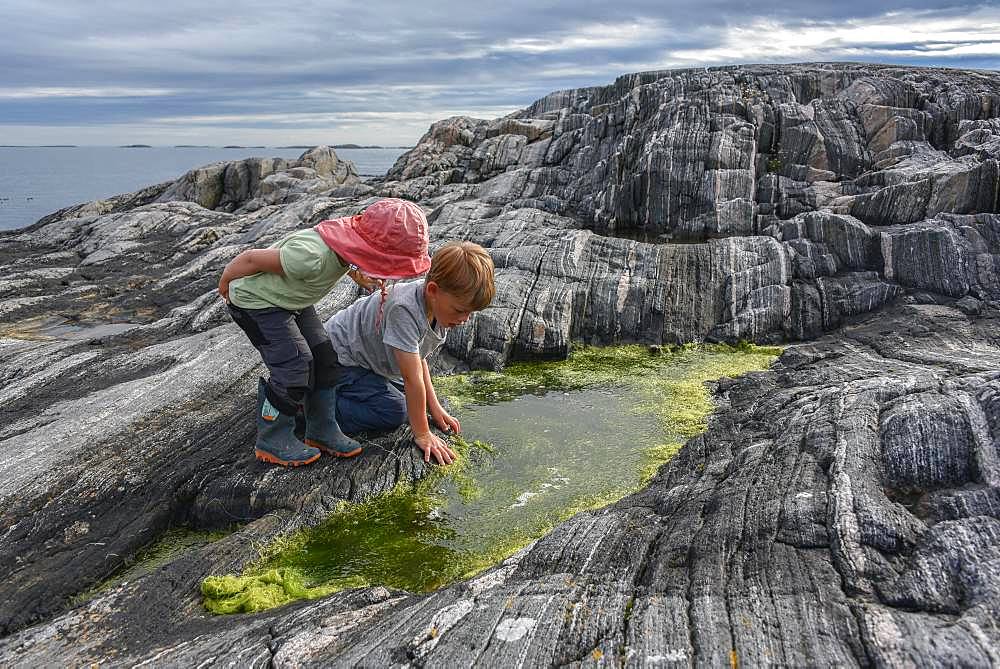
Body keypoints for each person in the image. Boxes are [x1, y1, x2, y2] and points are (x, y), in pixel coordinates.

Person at [218, 198, 431, 467]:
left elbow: (345, 259)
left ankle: (321, 428)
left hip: (292, 300)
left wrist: (359, 274)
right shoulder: (309, 257)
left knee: (327, 359)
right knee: (295, 367)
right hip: (257, 303)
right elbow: (250, 258)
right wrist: (226, 281)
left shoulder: (344, 248)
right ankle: (272, 437)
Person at [324, 241, 495, 465]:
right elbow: (412, 379)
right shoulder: (404, 310)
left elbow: (418, 356)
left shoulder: (438, 308)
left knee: (413, 401)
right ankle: (317, 411)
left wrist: (433, 407)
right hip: (338, 359)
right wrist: (422, 434)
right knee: (397, 412)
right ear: (433, 290)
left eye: (471, 313)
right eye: (461, 310)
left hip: (365, 361)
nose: (465, 319)